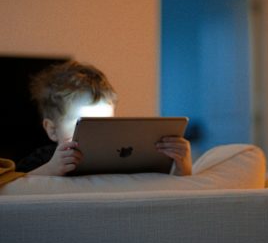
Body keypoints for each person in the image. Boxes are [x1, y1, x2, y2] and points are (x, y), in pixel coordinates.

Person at [16, 60, 192, 176]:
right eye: (83, 122)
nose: (97, 132)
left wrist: (182, 165)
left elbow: (166, 186)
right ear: (53, 130)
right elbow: (14, 186)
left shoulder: (125, 156)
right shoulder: (45, 157)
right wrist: (51, 169)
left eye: (105, 121)